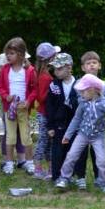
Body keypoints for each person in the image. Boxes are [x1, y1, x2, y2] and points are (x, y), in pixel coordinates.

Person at [54, 74, 105, 194]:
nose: (81, 94)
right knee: (71, 155)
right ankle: (64, 178)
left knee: (102, 160)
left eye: (83, 91)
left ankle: (102, 182)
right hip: (82, 135)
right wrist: (67, 135)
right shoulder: (83, 103)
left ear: (92, 90)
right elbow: (76, 119)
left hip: (98, 137)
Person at [0, 37, 37, 175]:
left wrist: (28, 102)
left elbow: (34, 90)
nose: (8, 56)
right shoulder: (5, 70)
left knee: (26, 136)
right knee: (10, 137)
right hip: (10, 109)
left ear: (20, 54)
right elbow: (0, 87)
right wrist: (6, 96)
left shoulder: (30, 70)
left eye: (11, 53)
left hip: (23, 109)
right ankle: (9, 163)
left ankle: (30, 163)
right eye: (7, 53)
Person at [45, 53, 84, 183]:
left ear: (69, 67)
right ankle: (57, 176)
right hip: (58, 124)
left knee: (73, 150)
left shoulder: (80, 84)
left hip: (75, 124)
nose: (56, 72)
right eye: (54, 69)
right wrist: (50, 126)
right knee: (58, 150)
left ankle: (72, 175)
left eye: (59, 68)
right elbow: (49, 106)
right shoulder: (53, 85)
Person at [0, 51, 27, 169]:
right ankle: (7, 160)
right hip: (7, 104)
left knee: (20, 131)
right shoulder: (3, 63)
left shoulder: (24, 70)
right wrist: (7, 97)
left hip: (21, 105)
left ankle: (22, 159)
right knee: (9, 131)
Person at [33, 42, 60, 179]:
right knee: (43, 141)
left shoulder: (44, 75)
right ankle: (37, 168)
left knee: (49, 141)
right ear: (50, 59)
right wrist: (53, 93)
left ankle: (50, 168)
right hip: (44, 114)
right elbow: (41, 96)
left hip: (46, 113)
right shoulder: (45, 77)